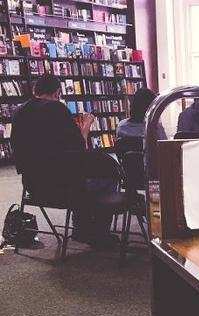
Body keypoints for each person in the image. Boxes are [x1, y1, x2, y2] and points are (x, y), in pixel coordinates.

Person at [11, 73, 119, 246]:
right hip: (61, 188)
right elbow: (80, 148)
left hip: (32, 186)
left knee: (76, 171)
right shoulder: (57, 108)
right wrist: (86, 126)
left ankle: (82, 227)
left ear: (35, 90)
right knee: (107, 176)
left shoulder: (18, 112)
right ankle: (95, 233)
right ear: (57, 93)